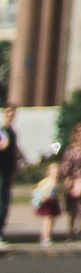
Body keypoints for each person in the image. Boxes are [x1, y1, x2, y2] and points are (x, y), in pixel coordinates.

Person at [57, 123, 81, 241]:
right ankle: (71, 231)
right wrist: (67, 178)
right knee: (73, 208)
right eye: (79, 134)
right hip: (74, 180)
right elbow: (65, 166)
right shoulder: (71, 150)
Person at [0, 104, 21, 249]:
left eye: (12, 113)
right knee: (1, 204)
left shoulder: (12, 133)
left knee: (5, 205)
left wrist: (14, 171)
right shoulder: (1, 131)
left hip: (7, 172)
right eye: (8, 112)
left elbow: (13, 153)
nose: (10, 115)